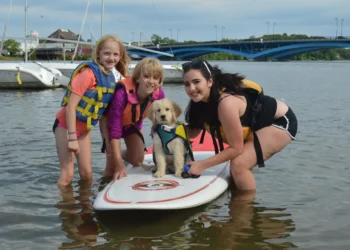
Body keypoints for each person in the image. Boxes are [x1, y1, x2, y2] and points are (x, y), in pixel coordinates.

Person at [182, 60, 297, 190]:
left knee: (239, 164)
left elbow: (236, 148)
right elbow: (195, 131)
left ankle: (245, 208)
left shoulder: (226, 103)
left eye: (196, 82)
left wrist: (201, 165)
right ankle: (235, 199)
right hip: (257, 123)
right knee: (238, 164)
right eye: (187, 84)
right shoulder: (199, 102)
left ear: (209, 81)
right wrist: (166, 130)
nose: (191, 88)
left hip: (280, 121)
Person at [53, 34, 130, 188]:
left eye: (115, 54)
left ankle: (86, 210)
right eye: (107, 53)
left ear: (120, 56)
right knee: (67, 175)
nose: (111, 58)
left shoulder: (111, 79)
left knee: (87, 175)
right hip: (65, 127)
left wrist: (107, 141)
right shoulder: (87, 74)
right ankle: (65, 209)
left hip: (84, 130)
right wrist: (72, 138)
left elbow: (102, 115)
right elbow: (71, 107)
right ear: (98, 54)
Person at [100, 57, 165, 180]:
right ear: (137, 78)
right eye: (146, 76)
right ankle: (104, 184)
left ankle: (121, 154)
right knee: (112, 166)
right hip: (111, 127)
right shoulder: (122, 94)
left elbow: (161, 119)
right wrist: (118, 162)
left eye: (155, 78)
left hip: (132, 126)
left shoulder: (159, 94)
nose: (151, 82)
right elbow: (115, 131)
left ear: (160, 81)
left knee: (137, 161)